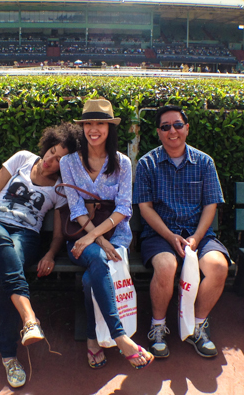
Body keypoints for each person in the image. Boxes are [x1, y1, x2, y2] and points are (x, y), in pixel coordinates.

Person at [0, 122, 81, 389]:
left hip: (26, 236)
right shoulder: (22, 159)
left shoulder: (61, 187)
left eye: (60, 159)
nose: (51, 159)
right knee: (0, 240)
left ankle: (9, 356)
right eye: (51, 151)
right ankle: (29, 320)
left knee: (8, 264)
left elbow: (59, 234)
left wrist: (49, 253)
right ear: (46, 144)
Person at [59, 98, 154, 371]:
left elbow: (124, 209)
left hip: (117, 236)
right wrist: (95, 239)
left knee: (92, 276)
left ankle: (92, 338)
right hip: (81, 235)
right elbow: (76, 207)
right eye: (88, 123)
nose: (93, 129)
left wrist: (99, 238)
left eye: (100, 123)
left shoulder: (122, 162)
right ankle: (120, 336)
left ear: (109, 128)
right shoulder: (69, 162)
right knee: (98, 259)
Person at [133, 105, 230, 359]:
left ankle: (197, 325)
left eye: (177, 125)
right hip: (159, 235)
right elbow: (145, 208)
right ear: (158, 132)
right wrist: (169, 236)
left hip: (198, 235)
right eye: (165, 127)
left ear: (187, 128)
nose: (172, 131)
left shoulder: (204, 162)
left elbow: (211, 205)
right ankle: (157, 327)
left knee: (219, 267)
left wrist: (196, 238)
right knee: (165, 266)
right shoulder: (147, 164)